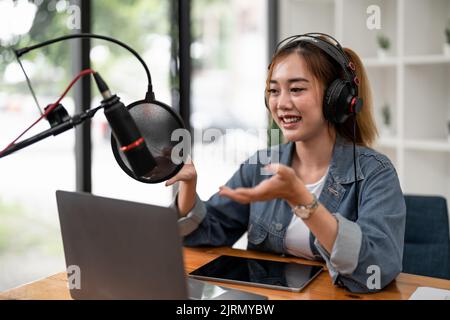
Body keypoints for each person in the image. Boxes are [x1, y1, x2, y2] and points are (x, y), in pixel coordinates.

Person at [165, 33, 406, 293]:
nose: (281, 103)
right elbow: (208, 232)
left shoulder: (375, 172)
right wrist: (189, 187)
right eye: (273, 91)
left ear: (335, 98)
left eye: (297, 89)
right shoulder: (261, 165)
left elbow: (375, 270)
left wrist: (302, 200)